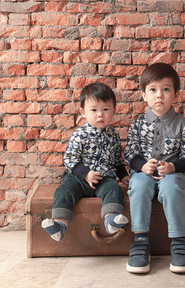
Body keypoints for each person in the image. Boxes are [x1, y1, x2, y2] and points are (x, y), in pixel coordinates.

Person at [123, 63, 185, 274]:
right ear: (144, 94)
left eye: (166, 89)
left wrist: (174, 166)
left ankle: (179, 242)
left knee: (171, 188)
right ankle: (140, 242)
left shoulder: (183, 124)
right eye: (153, 89)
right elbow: (129, 153)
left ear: (175, 93)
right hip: (143, 176)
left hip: (173, 177)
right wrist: (142, 166)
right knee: (138, 186)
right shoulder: (137, 124)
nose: (160, 95)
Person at [42, 82, 130, 242]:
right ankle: (60, 225)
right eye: (94, 110)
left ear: (114, 111)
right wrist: (86, 174)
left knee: (114, 189)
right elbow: (70, 159)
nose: (100, 115)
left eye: (105, 109)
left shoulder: (114, 135)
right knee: (63, 191)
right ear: (83, 112)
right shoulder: (79, 135)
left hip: (104, 179)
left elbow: (117, 159)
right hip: (77, 179)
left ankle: (111, 219)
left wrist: (123, 175)